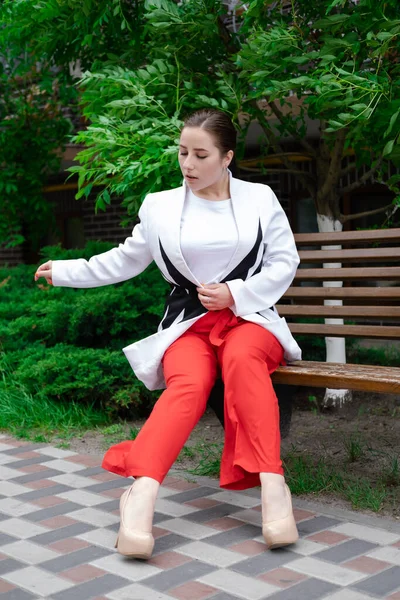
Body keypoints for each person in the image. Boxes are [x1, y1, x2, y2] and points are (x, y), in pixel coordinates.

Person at [35, 108, 302, 559]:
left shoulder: (260, 198)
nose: (188, 164)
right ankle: (140, 495)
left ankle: (274, 488)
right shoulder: (159, 205)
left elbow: (284, 261)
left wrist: (236, 294)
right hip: (188, 324)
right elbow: (126, 258)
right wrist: (66, 271)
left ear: (227, 157)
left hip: (251, 320)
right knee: (190, 384)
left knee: (241, 362)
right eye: (183, 152)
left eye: (201, 155)